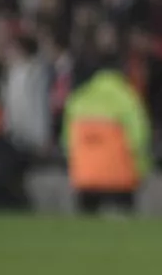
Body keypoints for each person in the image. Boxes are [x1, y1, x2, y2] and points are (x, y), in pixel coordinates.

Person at [61, 56, 152, 216]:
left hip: (85, 176)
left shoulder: (79, 98)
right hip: (119, 175)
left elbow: (68, 142)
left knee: (86, 228)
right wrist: (142, 169)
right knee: (125, 229)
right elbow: (139, 138)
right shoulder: (128, 97)